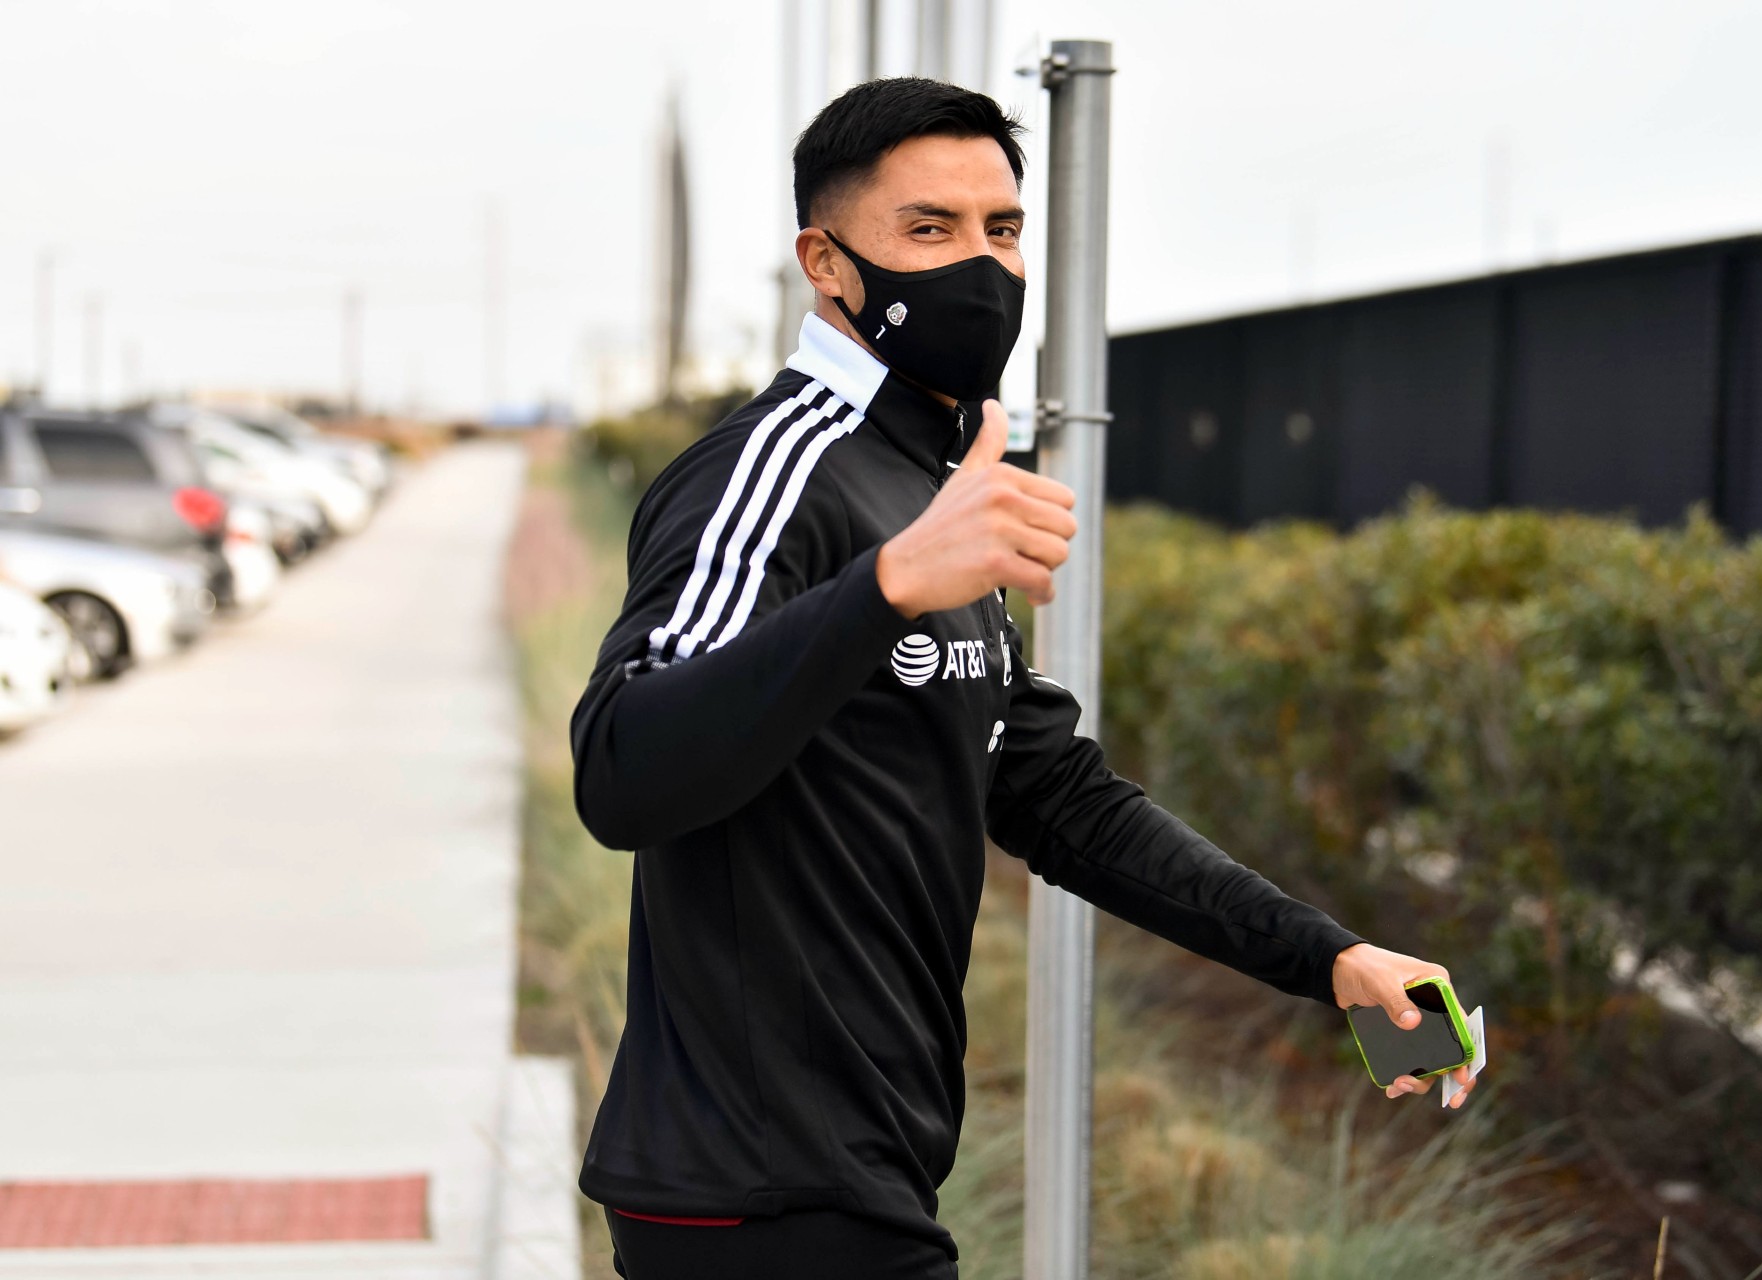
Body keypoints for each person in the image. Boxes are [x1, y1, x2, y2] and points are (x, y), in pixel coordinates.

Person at [570, 75, 1481, 1280]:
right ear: (826, 261)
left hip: (862, 1171)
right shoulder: (779, 472)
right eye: (929, 230)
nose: (982, 268)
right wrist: (887, 584)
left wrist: (1325, 955)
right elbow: (623, 767)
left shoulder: (933, 484)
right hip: (759, 1189)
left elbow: (1056, 796)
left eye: (1002, 230)